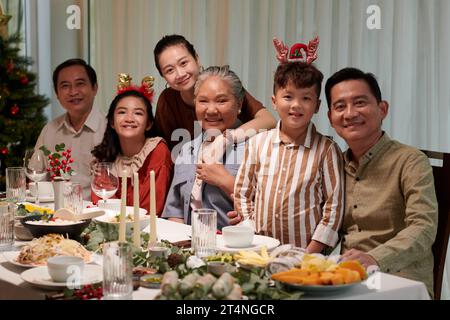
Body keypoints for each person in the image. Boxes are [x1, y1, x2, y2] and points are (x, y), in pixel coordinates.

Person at [325, 67, 438, 296]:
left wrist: (374, 258)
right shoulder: (333, 164)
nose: (349, 113)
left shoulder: (411, 161)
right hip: (347, 277)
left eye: (359, 103)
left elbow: (423, 226)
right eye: (340, 106)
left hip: (400, 280)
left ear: (382, 109)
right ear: (330, 117)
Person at [233, 62, 344, 252]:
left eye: (306, 98)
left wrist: (309, 253)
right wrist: (252, 233)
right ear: (274, 101)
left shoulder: (327, 150)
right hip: (259, 250)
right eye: (288, 96)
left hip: (305, 254)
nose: (296, 105)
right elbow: (242, 192)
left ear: (317, 106)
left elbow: (334, 207)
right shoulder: (257, 144)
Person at [153, 34, 276, 153]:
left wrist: (227, 138)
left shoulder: (221, 83)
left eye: (184, 63)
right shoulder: (167, 100)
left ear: (196, 58)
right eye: (169, 70)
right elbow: (163, 146)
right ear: (163, 76)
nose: (180, 74)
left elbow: (268, 120)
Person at [162, 65, 246, 230]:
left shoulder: (257, 149)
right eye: (203, 101)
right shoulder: (187, 149)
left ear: (239, 104)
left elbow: (268, 213)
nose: (211, 110)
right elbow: (175, 209)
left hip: (232, 249)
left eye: (221, 101)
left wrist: (226, 181)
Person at [91, 85, 173, 216]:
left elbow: (150, 209)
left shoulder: (157, 151)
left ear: (148, 124)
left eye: (138, 113)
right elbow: (101, 205)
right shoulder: (105, 155)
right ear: (112, 122)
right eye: (122, 112)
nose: (129, 118)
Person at [34, 58, 107, 200]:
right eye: (65, 86)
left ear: (95, 88)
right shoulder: (50, 130)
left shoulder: (111, 128)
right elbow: (36, 177)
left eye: (80, 84)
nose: (73, 92)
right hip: (56, 215)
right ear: (57, 94)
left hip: (100, 215)